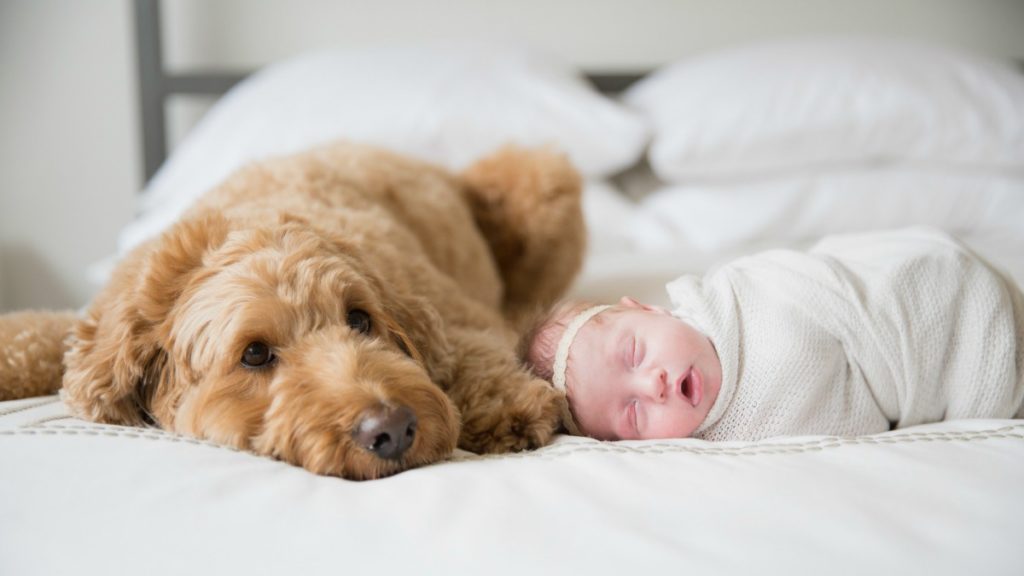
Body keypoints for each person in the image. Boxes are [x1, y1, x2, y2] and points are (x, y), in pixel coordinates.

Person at [524, 228, 1024, 441]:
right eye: (633, 415)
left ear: (649, 309)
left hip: (935, 294)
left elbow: (824, 285)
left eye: (634, 352)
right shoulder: (719, 449)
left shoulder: (739, 294)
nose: (651, 385)